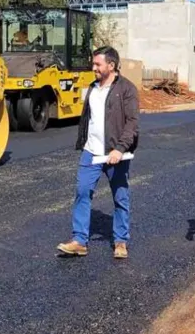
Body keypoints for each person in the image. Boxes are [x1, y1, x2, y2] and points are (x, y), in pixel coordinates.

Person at [57, 46, 139, 259]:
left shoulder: (127, 89)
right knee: (82, 192)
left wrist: (120, 149)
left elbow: (132, 123)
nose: (93, 68)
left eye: (97, 64)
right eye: (93, 64)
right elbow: (89, 119)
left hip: (116, 153)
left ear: (111, 66)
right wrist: (83, 142)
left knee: (120, 197)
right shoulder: (93, 88)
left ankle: (121, 241)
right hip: (91, 152)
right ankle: (79, 241)